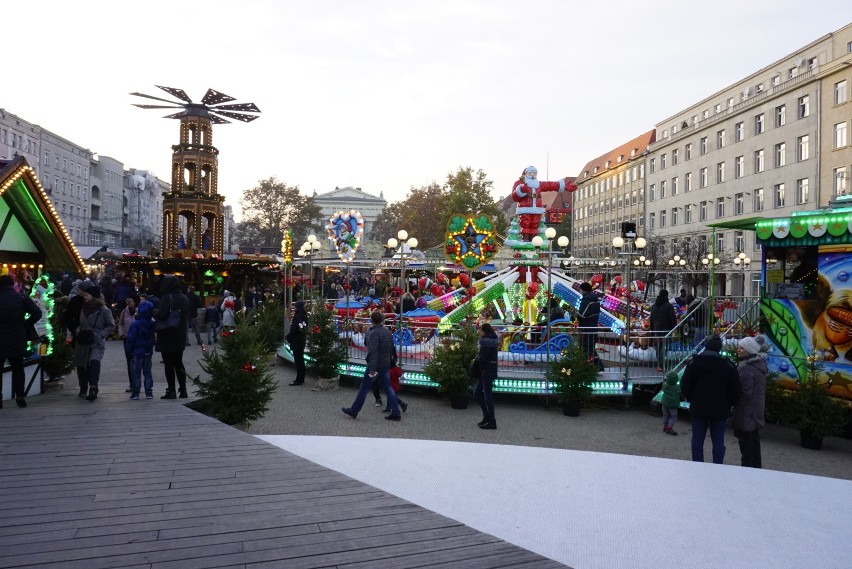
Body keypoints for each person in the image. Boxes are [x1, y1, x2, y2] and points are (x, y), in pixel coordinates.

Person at [681, 335, 741, 464]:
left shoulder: (694, 363)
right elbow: (736, 388)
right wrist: (730, 403)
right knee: (718, 440)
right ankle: (717, 466)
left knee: (697, 438)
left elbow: (685, 384)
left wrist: (691, 398)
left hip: (698, 406)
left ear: (706, 346)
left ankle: (697, 464)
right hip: (720, 408)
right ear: (719, 349)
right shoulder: (728, 365)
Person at [342, 310, 400, 420]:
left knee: (364, 387)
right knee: (388, 388)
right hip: (385, 364)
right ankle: (396, 411)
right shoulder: (387, 331)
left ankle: (354, 410)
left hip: (375, 366)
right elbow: (390, 349)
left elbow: (373, 352)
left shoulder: (373, 333)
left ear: (372, 320)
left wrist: (372, 369)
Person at [0, 274, 42, 408]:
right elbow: (37, 313)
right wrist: (26, 324)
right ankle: (20, 397)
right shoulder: (21, 297)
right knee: (18, 368)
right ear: (12, 285)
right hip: (17, 336)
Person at [511, 165, 577, 241]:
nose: (532, 174)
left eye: (534, 173)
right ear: (525, 174)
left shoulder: (539, 184)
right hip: (525, 208)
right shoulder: (519, 183)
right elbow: (514, 196)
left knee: (535, 223)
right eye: (530, 173)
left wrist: (563, 185)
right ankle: (525, 237)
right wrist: (521, 190)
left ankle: (533, 238)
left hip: (537, 208)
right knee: (526, 222)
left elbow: (550, 185)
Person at [72, 286, 115, 401]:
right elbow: (82, 323)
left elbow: (111, 325)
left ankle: (93, 387)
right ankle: (83, 388)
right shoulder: (83, 308)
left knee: (94, 363)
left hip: (96, 342)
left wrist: (100, 335)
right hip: (83, 341)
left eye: (86, 295)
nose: (84, 297)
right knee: (82, 365)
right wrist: (78, 330)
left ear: (94, 296)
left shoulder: (104, 310)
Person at [733, 335, 768, 468]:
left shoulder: (746, 368)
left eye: (742, 348)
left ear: (749, 350)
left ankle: (748, 473)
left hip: (747, 411)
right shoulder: (758, 365)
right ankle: (756, 469)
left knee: (746, 446)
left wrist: (734, 404)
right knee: (753, 443)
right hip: (755, 410)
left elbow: (744, 392)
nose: (739, 350)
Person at [155, 275, 190, 399]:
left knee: (168, 364)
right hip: (180, 335)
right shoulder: (184, 298)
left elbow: (162, 315)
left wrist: (155, 312)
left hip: (167, 334)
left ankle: (171, 390)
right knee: (179, 363)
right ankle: (183, 390)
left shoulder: (167, 297)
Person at [125, 300, 156, 400]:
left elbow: (131, 338)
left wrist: (129, 350)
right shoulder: (152, 323)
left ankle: (136, 392)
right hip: (147, 350)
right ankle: (149, 392)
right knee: (147, 372)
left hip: (137, 351)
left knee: (136, 372)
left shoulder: (135, 324)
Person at [473, 322, 500, 430]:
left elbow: (483, 358)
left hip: (487, 371)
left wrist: (478, 362)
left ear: (484, 331)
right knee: (477, 393)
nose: (479, 332)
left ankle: (491, 420)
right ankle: (487, 416)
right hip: (487, 370)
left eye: (480, 330)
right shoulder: (490, 341)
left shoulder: (487, 343)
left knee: (487, 397)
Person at [117, 294, 141, 393]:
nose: (128, 303)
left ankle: (137, 384)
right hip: (127, 339)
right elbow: (120, 323)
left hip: (137, 340)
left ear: (135, 302)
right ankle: (132, 384)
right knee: (129, 362)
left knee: (137, 362)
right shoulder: (124, 312)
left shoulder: (140, 311)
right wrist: (122, 334)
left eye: (129, 301)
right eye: (127, 301)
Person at [649, 289, 677, 372]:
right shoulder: (668, 306)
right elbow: (672, 318)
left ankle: (659, 364)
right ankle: (661, 365)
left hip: (657, 330)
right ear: (666, 296)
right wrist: (673, 328)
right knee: (665, 347)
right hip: (666, 329)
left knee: (659, 347)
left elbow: (652, 318)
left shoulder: (654, 305)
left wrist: (652, 328)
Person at [285, 300, 308, 386]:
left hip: (297, 341)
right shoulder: (304, 316)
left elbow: (294, 329)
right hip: (302, 340)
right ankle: (301, 378)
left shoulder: (297, 317)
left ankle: (299, 379)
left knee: (298, 361)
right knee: (300, 360)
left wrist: (288, 338)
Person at [577, 282, 601, 360]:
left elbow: (582, 315)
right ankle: (597, 366)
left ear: (583, 290)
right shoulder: (596, 299)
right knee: (590, 348)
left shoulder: (586, 300)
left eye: (580, 289)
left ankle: (596, 366)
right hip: (593, 326)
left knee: (586, 348)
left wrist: (576, 313)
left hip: (586, 327)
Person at [660, 371, 682, 435]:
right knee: (673, 416)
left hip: (665, 404)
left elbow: (664, 382)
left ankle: (665, 427)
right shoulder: (678, 387)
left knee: (665, 416)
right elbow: (680, 392)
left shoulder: (664, 385)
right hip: (673, 405)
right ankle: (669, 428)